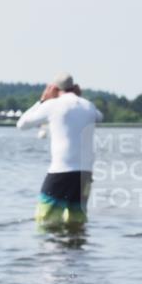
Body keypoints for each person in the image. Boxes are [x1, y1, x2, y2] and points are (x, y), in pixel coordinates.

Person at [16, 73, 102, 227]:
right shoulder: (89, 106)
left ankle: (51, 250)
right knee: (77, 221)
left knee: (45, 221)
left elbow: (21, 124)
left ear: (54, 88)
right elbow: (99, 117)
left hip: (61, 172)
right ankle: (76, 248)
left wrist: (42, 100)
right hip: (85, 174)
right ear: (74, 88)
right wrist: (79, 97)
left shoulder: (52, 105)